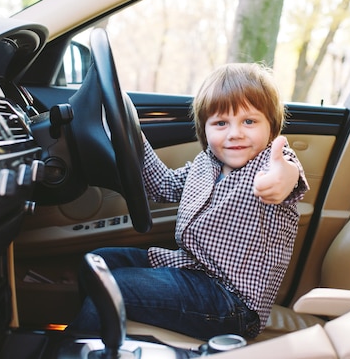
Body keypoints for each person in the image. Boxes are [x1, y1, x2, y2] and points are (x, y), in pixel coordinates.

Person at [69, 62, 309, 340]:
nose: (235, 133)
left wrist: (281, 179)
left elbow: (289, 176)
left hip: (234, 303)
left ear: (271, 127)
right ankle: (100, 337)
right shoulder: (206, 163)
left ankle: (76, 346)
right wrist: (131, 136)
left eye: (249, 121)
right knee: (98, 262)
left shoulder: (271, 163)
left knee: (112, 286)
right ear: (204, 129)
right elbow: (163, 186)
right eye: (221, 123)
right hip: (191, 269)